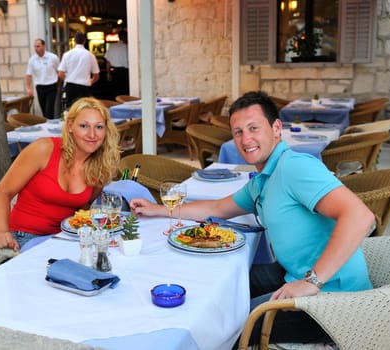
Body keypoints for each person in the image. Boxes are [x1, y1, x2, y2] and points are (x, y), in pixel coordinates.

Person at [129, 91, 375, 345]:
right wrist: (158, 209)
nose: (246, 139)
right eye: (238, 132)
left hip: (334, 301)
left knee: (222, 326)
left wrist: (312, 282)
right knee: (219, 286)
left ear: (276, 128)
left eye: (253, 128)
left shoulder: (294, 166)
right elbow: (218, 208)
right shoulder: (264, 180)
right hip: (293, 273)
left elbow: (360, 216)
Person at [0, 97, 121, 251]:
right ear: (70, 126)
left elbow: (86, 205)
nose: (92, 134)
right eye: (84, 126)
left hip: (65, 238)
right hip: (23, 237)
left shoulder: (100, 165)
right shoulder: (44, 149)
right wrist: (1, 232)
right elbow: (3, 192)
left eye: (99, 127)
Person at [58, 32, 100, 108]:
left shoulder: (67, 54)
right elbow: (96, 76)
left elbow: (60, 74)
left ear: (74, 41)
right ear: (84, 41)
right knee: (83, 109)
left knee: (70, 110)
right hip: (83, 87)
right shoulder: (90, 56)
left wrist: (68, 79)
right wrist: (90, 81)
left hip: (70, 86)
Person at [25, 38, 60, 119]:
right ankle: (47, 127)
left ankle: (50, 126)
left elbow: (59, 72)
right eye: (35, 47)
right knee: (44, 110)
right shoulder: (32, 60)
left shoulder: (53, 58)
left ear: (44, 46)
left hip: (51, 86)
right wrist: (29, 88)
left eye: (38, 46)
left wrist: (58, 86)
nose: (36, 49)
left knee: (49, 111)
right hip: (40, 87)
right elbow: (28, 75)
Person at [104, 30, 129, 97]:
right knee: (125, 91)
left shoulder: (112, 46)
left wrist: (108, 73)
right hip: (126, 72)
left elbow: (108, 61)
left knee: (116, 92)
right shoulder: (128, 47)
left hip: (115, 72)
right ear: (125, 37)